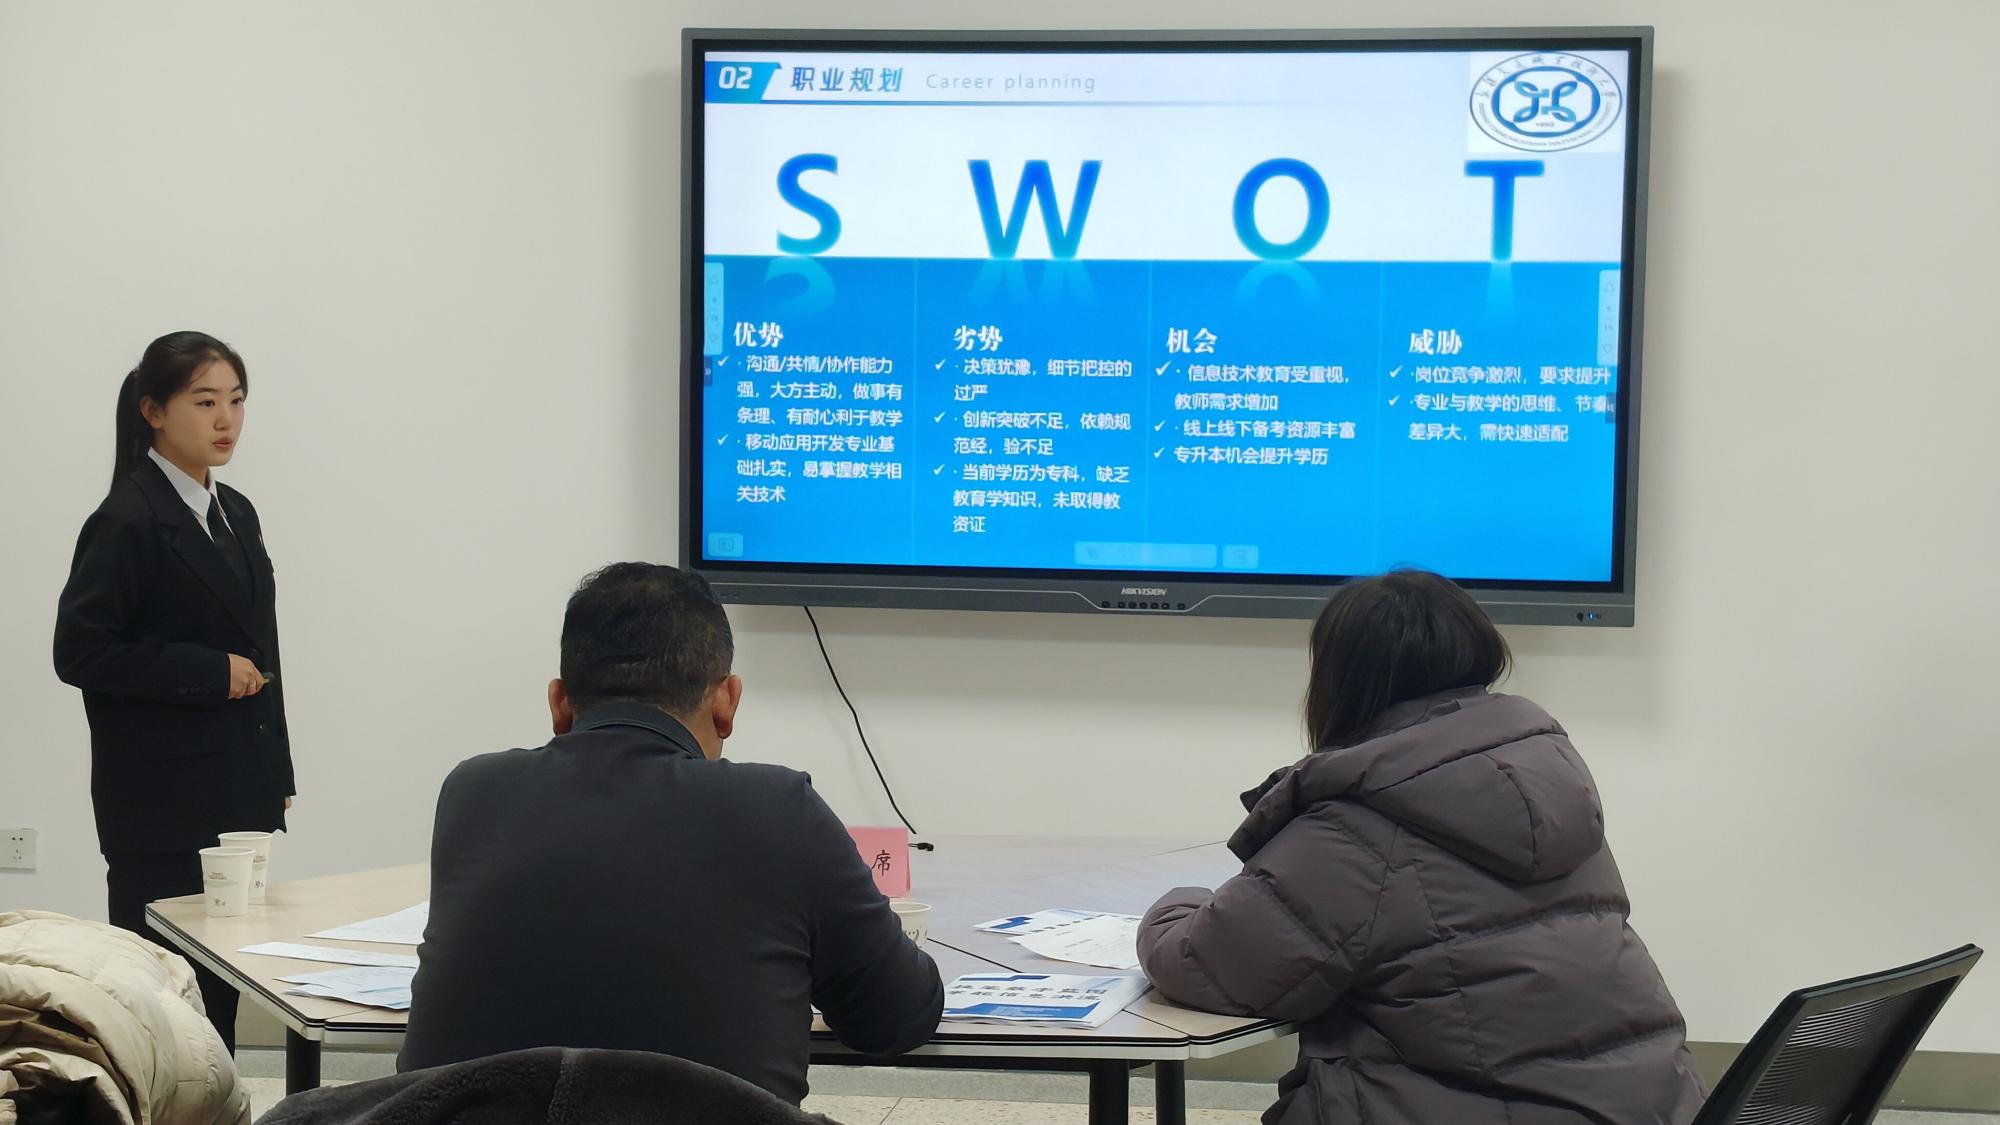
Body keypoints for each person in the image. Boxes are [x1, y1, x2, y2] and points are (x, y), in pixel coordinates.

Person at [1138, 570, 1705, 1125]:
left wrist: (1174, 906)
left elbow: (1206, 966)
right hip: (1653, 1107)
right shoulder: (1549, 788)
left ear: (1341, 680)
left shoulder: (1355, 828)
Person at [400, 563, 943, 1104]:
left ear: (559, 704)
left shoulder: (475, 791)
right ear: (726, 702)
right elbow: (895, 1018)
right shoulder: (776, 807)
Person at [54, 331, 295, 1052]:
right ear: (153, 411)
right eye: (205, 402)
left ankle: (216, 1100)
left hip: (235, 794)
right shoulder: (126, 519)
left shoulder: (237, 511)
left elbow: (263, 649)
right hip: (159, 803)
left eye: (237, 401)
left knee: (221, 995)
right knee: (163, 1003)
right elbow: (80, 651)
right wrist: (209, 671)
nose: (226, 420)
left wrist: (276, 770)